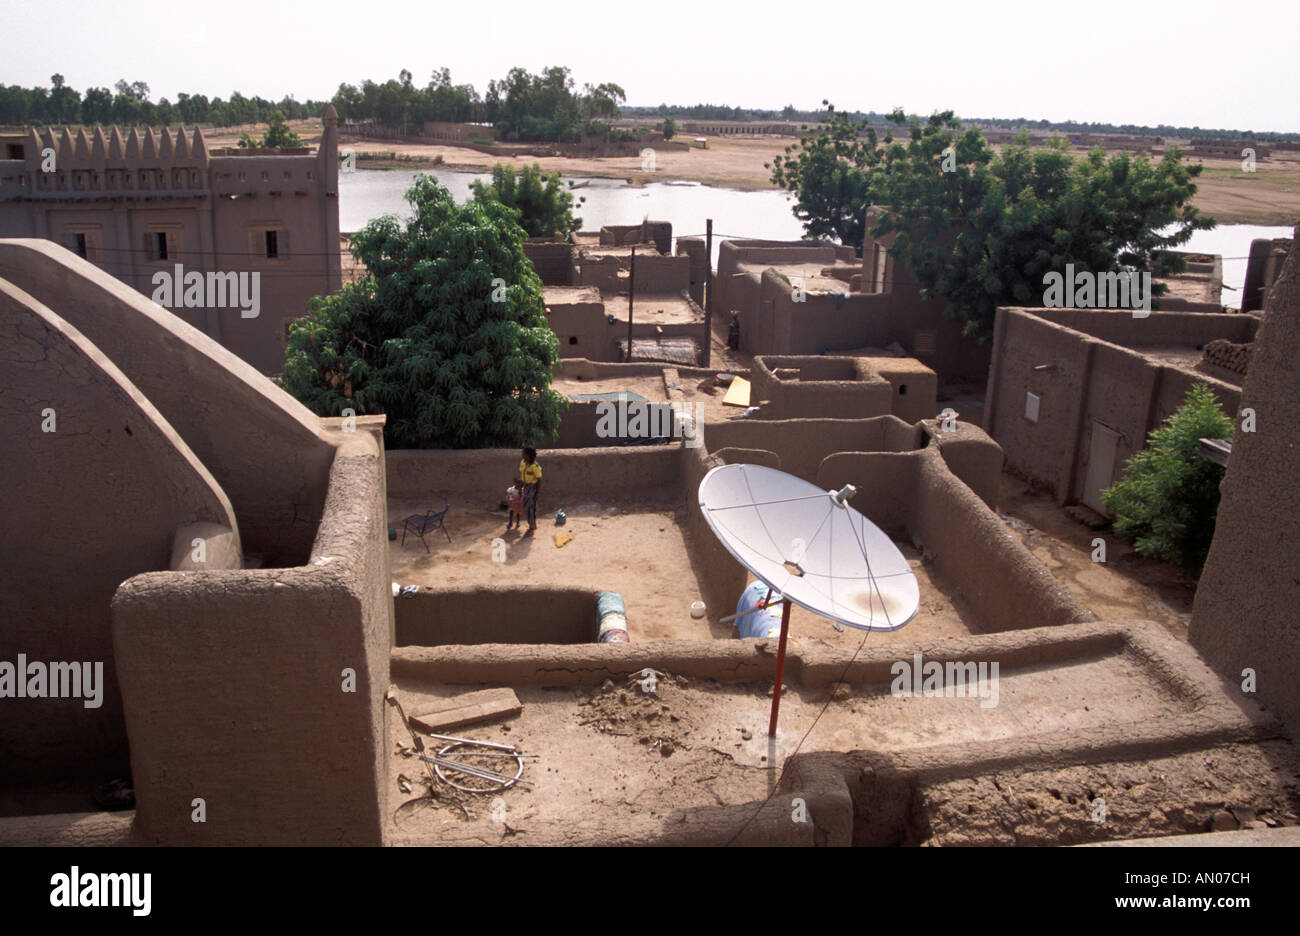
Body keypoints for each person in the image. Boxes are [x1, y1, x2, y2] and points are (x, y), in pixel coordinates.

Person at [518, 446, 543, 537]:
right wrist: (520, 487)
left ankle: (532, 528)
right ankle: (532, 524)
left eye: (523, 454)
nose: (522, 455)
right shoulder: (523, 463)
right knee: (524, 507)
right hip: (525, 487)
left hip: (532, 488)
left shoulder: (535, 467)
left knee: (531, 509)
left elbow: (539, 480)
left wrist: (537, 493)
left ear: (528, 456)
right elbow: (522, 476)